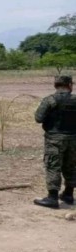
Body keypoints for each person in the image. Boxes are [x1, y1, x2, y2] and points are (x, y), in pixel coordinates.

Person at [33, 75, 76, 208]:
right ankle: (69, 195)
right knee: (71, 166)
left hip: (54, 139)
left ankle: (52, 198)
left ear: (55, 85)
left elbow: (38, 118)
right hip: (73, 139)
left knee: (53, 166)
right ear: (70, 85)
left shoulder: (50, 100)